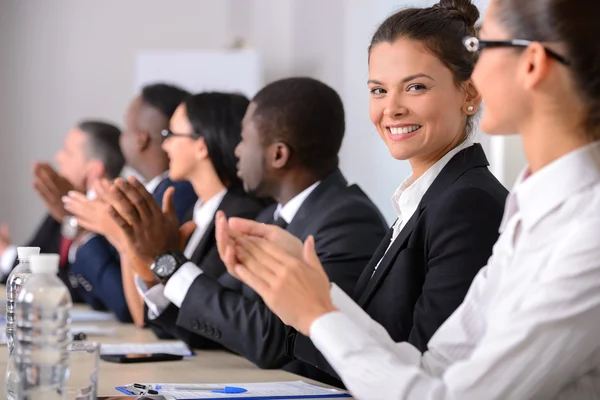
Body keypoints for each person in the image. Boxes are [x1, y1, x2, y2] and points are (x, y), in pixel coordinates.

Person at [224, 0, 600, 397]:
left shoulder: (586, 232)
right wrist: (317, 297)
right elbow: (431, 368)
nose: (475, 71)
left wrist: (318, 313)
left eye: (481, 48)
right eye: (378, 90)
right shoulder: (530, 210)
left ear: (532, 64)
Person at [102, 77, 388, 387]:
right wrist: (158, 265)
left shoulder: (346, 219)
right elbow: (219, 316)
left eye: (244, 139)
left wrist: (169, 265)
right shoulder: (271, 217)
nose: (236, 151)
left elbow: (272, 339)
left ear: (278, 154)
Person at [62, 83, 197, 322]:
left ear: (141, 140)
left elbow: (131, 308)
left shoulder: (175, 195)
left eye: (126, 129)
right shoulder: (150, 190)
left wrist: (110, 235)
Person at [0, 120, 125, 306]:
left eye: (69, 152)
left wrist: (4, 253)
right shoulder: (64, 201)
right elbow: (33, 266)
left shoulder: (115, 214)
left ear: (94, 170)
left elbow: (76, 288)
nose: (58, 157)